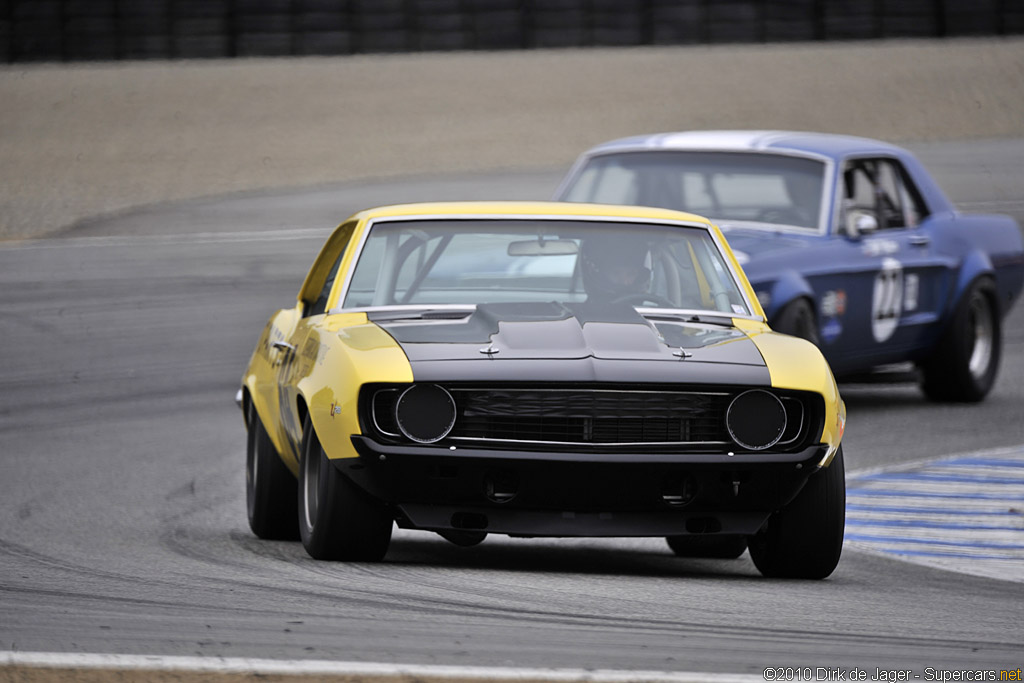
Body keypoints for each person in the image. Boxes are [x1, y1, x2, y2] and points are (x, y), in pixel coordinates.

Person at [579, 234, 652, 302]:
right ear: (601, 274)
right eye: (616, 273)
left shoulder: (653, 309)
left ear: (639, 276)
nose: (624, 281)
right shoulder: (580, 315)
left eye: (631, 274)